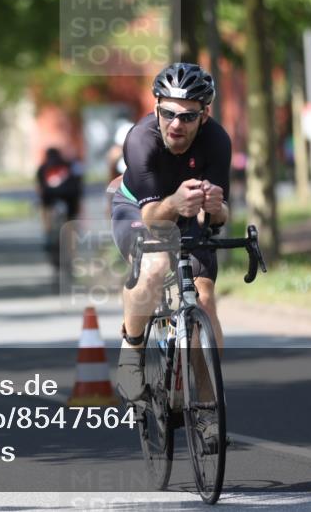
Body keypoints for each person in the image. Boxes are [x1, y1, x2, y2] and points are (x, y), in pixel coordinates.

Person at [109, 63, 230, 402]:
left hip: (187, 212)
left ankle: (208, 405)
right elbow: (151, 218)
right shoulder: (140, 139)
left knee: (204, 301)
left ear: (204, 116)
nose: (177, 124)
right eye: (169, 113)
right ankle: (131, 351)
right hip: (138, 209)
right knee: (156, 264)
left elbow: (217, 219)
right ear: (156, 108)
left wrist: (218, 208)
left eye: (189, 116)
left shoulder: (217, 140)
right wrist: (176, 201)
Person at [35, 147, 83, 232]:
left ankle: (47, 228)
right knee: (72, 210)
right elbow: (77, 182)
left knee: (45, 206)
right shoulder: (68, 165)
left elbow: (39, 187)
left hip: (49, 194)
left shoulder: (43, 167)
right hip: (68, 195)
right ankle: (71, 228)